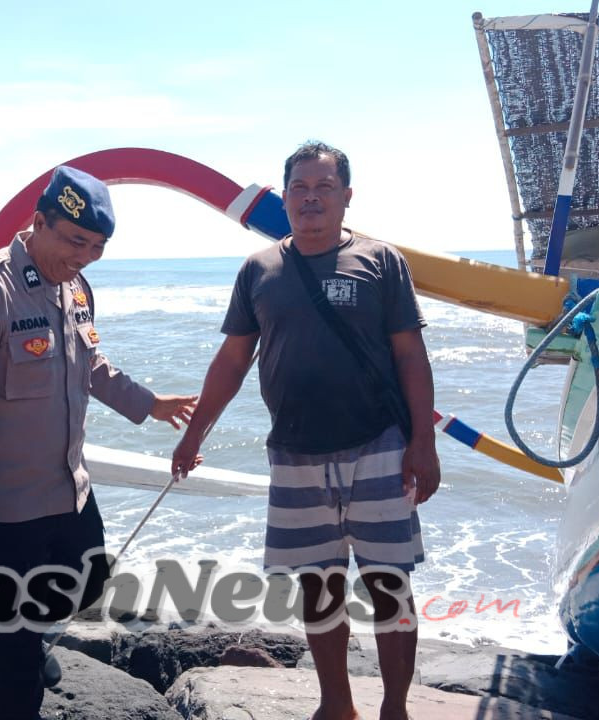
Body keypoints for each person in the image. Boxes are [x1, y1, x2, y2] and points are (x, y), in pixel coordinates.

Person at [171, 142, 441, 720]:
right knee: (319, 587)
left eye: (323, 187)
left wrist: (424, 442)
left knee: (389, 583)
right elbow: (232, 361)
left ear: (346, 197)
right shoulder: (259, 269)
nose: (311, 197)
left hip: (379, 447)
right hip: (294, 453)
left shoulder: (381, 261)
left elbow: (411, 355)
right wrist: (195, 434)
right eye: (299, 187)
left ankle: (396, 707)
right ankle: (336, 705)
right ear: (284, 195)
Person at [0, 165, 198, 720]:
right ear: (39, 223)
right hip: (6, 509)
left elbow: (90, 365)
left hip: (68, 491)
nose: (84, 256)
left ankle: (8, 633)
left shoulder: (76, 288)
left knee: (90, 581)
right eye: (75, 241)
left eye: (97, 246)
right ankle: (13, 653)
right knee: (17, 653)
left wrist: (149, 404)